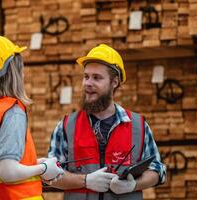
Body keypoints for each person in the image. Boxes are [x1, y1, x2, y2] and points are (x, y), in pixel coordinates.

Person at [47, 44, 166, 200]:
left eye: (96, 77)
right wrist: (85, 181)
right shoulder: (66, 126)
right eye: (86, 76)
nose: (87, 83)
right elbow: (50, 175)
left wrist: (133, 185)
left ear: (114, 82)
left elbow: (157, 171)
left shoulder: (138, 126)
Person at [0, 34, 64, 200]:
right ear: (13, 71)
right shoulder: (11, 111)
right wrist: (43, 169)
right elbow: (7, 172)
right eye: (21, 69)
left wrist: (36, 163)